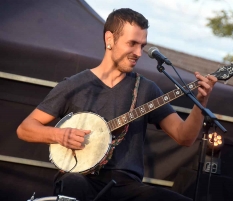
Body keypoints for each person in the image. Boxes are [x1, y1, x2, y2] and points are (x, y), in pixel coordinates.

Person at [17, 8, 217, 201]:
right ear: (109, 39)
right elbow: (25, 129)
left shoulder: (147, 89)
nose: (138, 53)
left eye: (142, 45)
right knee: (72, 184)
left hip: (127, 185)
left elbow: (185, 137)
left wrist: (201, 102)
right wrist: (60, 135)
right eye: (132, 43)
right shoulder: (74, 85)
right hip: (80, 179)